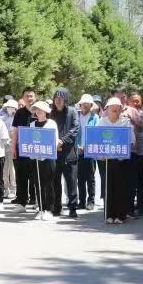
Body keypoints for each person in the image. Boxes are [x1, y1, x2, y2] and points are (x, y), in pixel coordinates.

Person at [99, 98, 135, 224]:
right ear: (107, 109)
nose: (114, 108)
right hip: (107, 159)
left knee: (121, 187)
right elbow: (96, 139)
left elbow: (131, 141)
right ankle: (109, 214)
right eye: (111, 106)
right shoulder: (102, 122)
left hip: (121, 160)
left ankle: (120, 215)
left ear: (121, 109)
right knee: (108, 186)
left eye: (117, 107)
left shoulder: (126, 122)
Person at [51, 88, 80, 218]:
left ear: (66, 99)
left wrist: (62, 141)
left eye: (61, 98)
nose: (58, 100)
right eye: (56, 98)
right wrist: (54, 143)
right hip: (55, 153)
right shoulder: (50, 113)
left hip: (69, 153)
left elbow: (75, 129)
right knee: (55, 181)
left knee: (71, 182)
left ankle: (73, 208)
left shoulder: (72, 111)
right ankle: (57, 207)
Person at [29, 101, 59, 221]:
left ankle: (49, 210)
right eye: (37, 109)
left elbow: (55, 140)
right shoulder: (32, 124)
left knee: (49, 184)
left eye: (41, 109)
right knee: (38, 184)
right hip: (36, 158)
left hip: (48, 158)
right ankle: (41, 209)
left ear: (46, 111)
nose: (39, 111)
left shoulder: (51, 123)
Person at [10, 88, 37, 213]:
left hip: (37, 149)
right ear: (23, 98)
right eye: (27, 96)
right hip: (22, 149)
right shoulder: (19, 113)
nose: (29, 98)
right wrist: (13, 148)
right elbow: (15, 131)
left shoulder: (40, 111)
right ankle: (21, 203)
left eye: (31, 96)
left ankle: (38, 201)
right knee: (21, 177)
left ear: (35, 97)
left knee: (37, 176)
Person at [129, 92, 143, 216]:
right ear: (129, 101)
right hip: (129, 151)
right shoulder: (124, 113)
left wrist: (133, 120)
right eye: (133, 101)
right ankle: (129, 206)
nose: (136, 103)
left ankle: (141, 206)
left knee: (141, 180)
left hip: (141, 151)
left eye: (138, 101)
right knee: (131, 180)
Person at [77, 93, 99, 210]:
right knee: (80, 178)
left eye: (88, 103)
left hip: (90, 150)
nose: (85, 105)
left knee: (90, 177)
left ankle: (91, 201)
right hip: (77, 150)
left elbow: (97, 133)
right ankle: (81, 201)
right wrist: (78, 147)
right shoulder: (76, 116)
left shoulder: (95, 117)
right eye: (83, 103)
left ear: (91, 105)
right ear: (80, 104)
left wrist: (87, 147)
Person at [1, 98, 18, 199]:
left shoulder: (17, 118)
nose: (9, 108)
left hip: (13, 145)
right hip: (4, 145)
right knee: (4, 168)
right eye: (8, 107)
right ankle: (5, 188)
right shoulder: (3, 118)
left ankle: (13, 189)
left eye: (11, 107)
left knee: (12, 168)